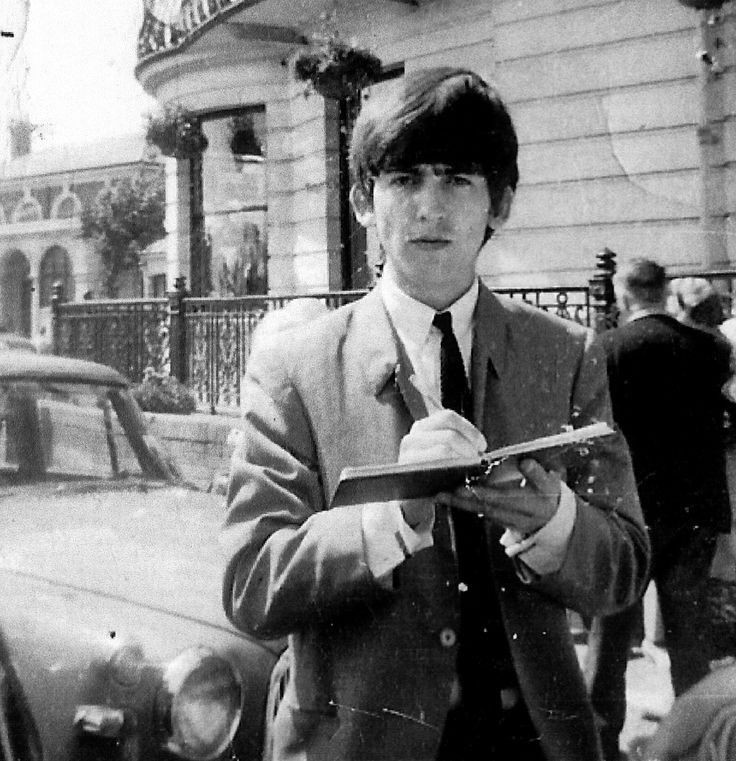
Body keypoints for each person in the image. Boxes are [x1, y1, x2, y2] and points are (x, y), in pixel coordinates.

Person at [221, 67, 649, 761]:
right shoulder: (294, 368)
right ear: (364, 200)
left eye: (456, 180)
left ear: (500, 203)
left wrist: (556, 521)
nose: (430, 207)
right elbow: (250, 585)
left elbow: (625, 567)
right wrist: (389, 517)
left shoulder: (564, 353)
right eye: (403, 179)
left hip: (533, 743)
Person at [583, 258, 733, 761]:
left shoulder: (606, 350)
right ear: (665, 293)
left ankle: (602, 744)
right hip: (696, 511)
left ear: (622, 297)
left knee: (611, 635)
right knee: (689, 635)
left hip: (634, 513)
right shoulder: (711, 348)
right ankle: (698, 743)